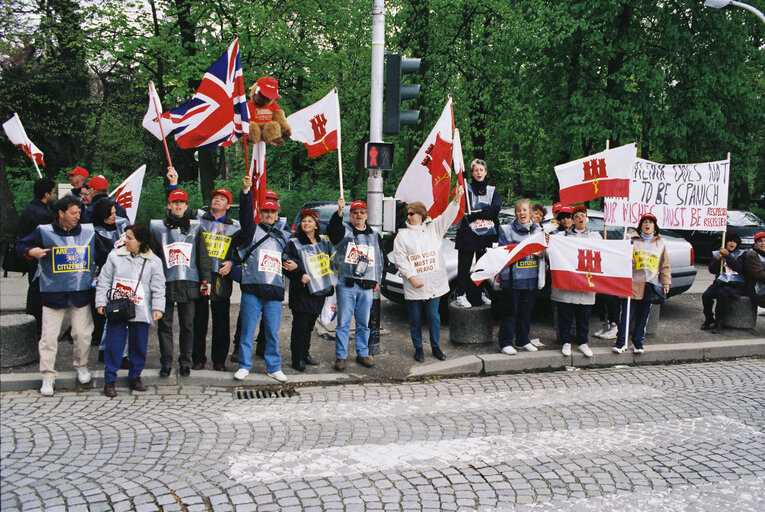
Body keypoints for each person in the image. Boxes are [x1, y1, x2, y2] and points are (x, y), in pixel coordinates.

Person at [16, 195, 110, 396]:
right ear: (61, 213)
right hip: (53, 292)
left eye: (79, 212)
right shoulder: (44, 231)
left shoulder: (88, 232)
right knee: (49, 337)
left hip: (80, 292)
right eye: (73, 213)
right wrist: (30, 252)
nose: (78, 216)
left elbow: (106, 252)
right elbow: (20, 246)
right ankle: (48, 376)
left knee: (83, 334)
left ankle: (81, 366)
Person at [393, 187, 464, 362]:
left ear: (422, 215)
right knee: (415, 319)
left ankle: (436, 347)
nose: (409, 217)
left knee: (433, 317)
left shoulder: (434, 228)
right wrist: (411, 278)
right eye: (408, 214)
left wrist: (456, 200)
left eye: (412, 214)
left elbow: (448, 216)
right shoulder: (402, 236)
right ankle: (418, 348)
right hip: (414, 284)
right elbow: (400, 259)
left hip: (433, 283)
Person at [234, 175, 292, 382]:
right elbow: (244, 216)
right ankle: (244, 365)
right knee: (248, 330)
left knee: (272, 333)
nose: (269, 214)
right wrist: (246, 194)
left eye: (272, 212)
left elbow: (292, 257)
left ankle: (274, 366)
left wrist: (295, 265)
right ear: (260, 213)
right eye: (265, 211)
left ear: (277, 215)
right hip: (252, 288)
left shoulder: (284, 235)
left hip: (274, 291)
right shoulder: (252, 231)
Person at [95, 224, 165, 397]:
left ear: (141, 241)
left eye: (130, 238)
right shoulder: (114, 257)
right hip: (118, 309)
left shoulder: (153, 261)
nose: (125, 241)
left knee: (139, 345)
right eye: (125, 237)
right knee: (114, 345)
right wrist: (101, 302)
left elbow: (158, 287)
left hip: (141, 309)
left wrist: (158, 308)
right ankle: (110, 379)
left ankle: (135, 376)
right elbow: (104, 281)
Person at [151, 186, 211, 377]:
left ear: (186, 205)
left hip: (189, 283)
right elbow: (152, 255)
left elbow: (202, 256)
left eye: (182, 202)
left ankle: (185, 361)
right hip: (165, 284)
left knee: (187, 324)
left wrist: (206, 279)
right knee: (165, 325)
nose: (178, 205)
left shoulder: (195, 228)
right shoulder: (157, 227)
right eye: (175, 202)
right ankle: (166, 362)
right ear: (169, 204)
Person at [327, 197, 384, 371]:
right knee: (343, 323)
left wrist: (379, 281)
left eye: (361, 212)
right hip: (347, 284)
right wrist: (338, 212)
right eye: (355, 212)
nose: (358, 215)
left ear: (366, 214)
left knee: (363, 323)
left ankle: (362, 353)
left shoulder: (374, 235)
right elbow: (332, 231)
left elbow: (382, 259)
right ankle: (341, 356)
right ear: (350, 215)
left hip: (367, 286)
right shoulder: (344, 230)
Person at [192, 187, 242, 372]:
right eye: (215, 198)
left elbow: (243, 250)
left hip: (221, 277)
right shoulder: (199, 220)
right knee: (199, 320)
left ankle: (219, 360)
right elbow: (177, 209)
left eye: (222, 198)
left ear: (228, 205)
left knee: (221, 322)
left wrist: (232, 262)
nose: (217, 200)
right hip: (201, 275)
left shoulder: (235, 226)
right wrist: (173, 184)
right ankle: (198, 358)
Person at [283, 209, 335, 371]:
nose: (306, 224)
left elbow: (331, 261)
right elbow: (286, 264)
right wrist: (299, 273)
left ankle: (305, 353)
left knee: (309, 326)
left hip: (318, 291)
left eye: (310, 221)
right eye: (304, 221)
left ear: (316, 225)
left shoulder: (323, 242)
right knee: (300, 326)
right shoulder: (294, 243)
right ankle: (296, 358)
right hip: (302, 291)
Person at [613, 213, 671, 354]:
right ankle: (621, 342)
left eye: (651, 222)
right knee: (626, 315)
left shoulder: (660, 243)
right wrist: (627, 260)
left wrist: (666, 283)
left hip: (649, 284)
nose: (647, 224)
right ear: (640, 226)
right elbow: (620, 257)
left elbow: (665, 265)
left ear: (654, 227)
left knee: (643, 315)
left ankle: (638, 342)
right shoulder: (631, 240)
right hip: (632, 283)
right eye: (645, 222)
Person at [550, 205, 600, 357]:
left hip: (585, 281)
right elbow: (551, 253)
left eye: (582, 215)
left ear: (587, 218)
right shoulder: (562, 237)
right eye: (576, 216)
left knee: (583, 315)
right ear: (572, 219)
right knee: (565, 313)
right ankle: (566, 341)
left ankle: (583, 342)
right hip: (568, 281)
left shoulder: (596, 236)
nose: (579, 218)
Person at [497, 199, 543, 354]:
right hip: (512, 279)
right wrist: (528, 250)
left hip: (530, 278)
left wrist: (542, 252)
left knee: (526, 312)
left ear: (530, 212)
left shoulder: (538, 230)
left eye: (524, 210)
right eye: (518, 211)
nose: (521, 213)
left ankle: (523, 340)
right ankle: (505, 342)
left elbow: (544, 252)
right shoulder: (507, 230)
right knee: (509, 313)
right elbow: (504, 251)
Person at [454, 159, 501, 307]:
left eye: (481, 170)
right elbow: (463, 210)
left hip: (485, 233)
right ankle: (461, 294)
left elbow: (494, 210)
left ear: (486, 172)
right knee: (464, 266)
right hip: (467, 233)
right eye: (476, 170)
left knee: (482, 266)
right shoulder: (466, 188)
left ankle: (479, 293)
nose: (479, 172)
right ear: (472, 172)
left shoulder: (492, 190)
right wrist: (478, 213)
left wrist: (476, 214)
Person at [16, 177, 56, 334]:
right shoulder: (42, 214)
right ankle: (36, 326)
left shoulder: (30, 207)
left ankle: (32, 323)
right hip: (37, 256)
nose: (55, 196)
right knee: (37, 292)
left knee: (33, 289)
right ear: (46, 194)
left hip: (29, 255)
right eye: (53, 193)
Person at [91, 198, 130, 356]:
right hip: (106, 274)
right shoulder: (95, 232)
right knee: (110, 315)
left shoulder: (122, 226)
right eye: (111, 213)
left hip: (123, 275)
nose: (115, 216)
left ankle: (110, 349)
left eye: (115, 212)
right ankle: (106, 349)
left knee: (118, 315)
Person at [701, 233, 746, 333]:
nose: (732, 243)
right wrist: (719, 258)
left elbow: (738, 267)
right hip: (720, 282)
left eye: (734, 242)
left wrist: (728, 256)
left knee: (723, 294)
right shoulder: (719, 253)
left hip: (735, 284)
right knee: (707, 295)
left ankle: (719, 321)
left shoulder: (741, 254)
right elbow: (712, 269)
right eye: (730, 241)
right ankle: (709, 318)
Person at [743, 231, 765, 308]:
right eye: (760, 241)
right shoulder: (753, 255)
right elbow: (758, 274)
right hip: (757, 290)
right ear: (755, 244)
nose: (763, 243)